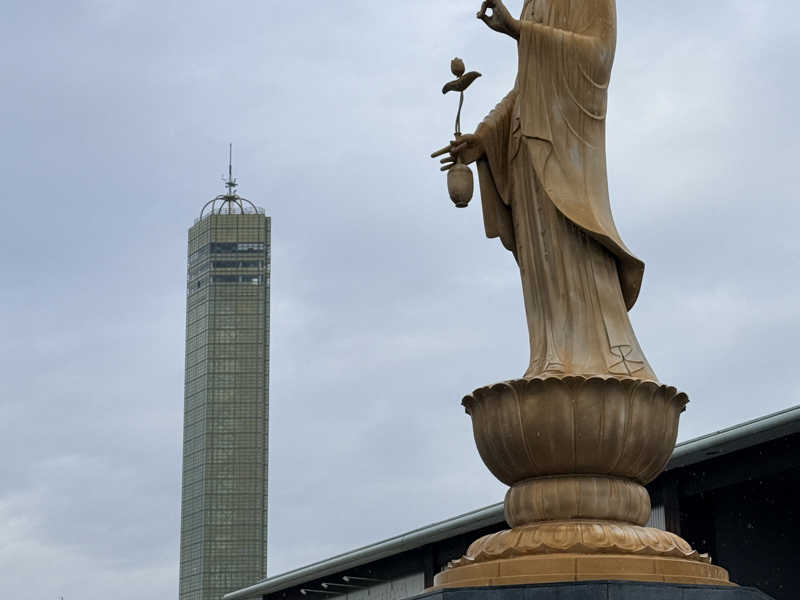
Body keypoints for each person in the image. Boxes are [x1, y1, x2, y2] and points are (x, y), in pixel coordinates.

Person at [436, 0, 656, 380]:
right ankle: (550, 353)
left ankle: (597, 358)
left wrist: (520, 31)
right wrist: (485, 136)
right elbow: (526, 84)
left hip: (561, 154)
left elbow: (598, 56)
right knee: (542, 263)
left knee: (574, 253)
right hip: (525, 154)